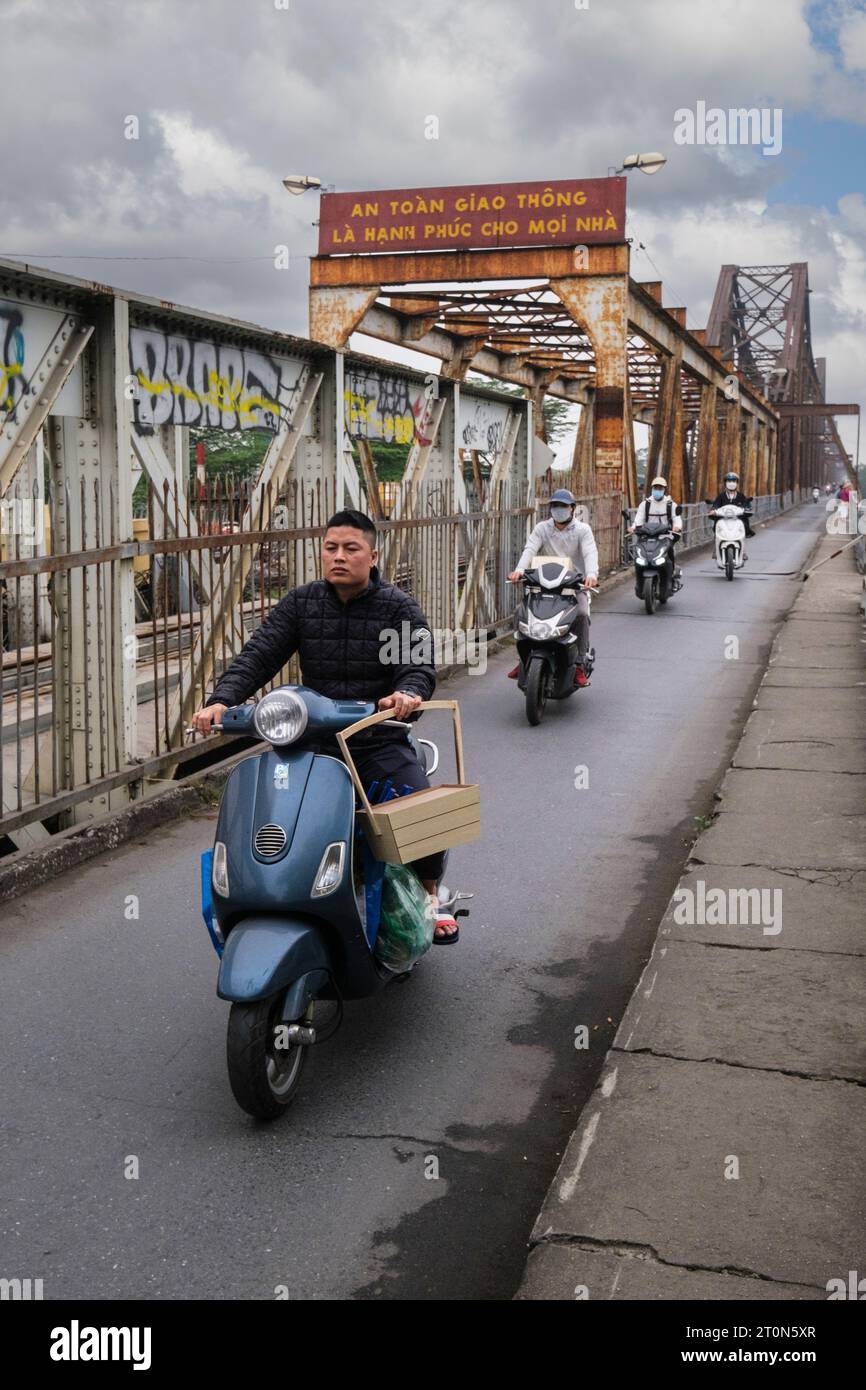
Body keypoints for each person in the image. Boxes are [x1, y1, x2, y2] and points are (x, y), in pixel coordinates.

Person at [191, 509, 459, 943]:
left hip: (375, 739)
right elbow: (259, 654)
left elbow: (417, 666)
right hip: (311, 744)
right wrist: (222, 700)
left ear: (372, 555)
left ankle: (431, 896)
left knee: (421, 807)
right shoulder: (302, 603)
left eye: (351, 548)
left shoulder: (398, 607)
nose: (339, 556)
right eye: (330, 547)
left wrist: (406, 694)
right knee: (269, 817)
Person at [506, 487, 599, 687]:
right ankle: (522, 661)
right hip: (544, 584)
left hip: (573, 585)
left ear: (573, 508)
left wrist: (591, 575)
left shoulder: (583, 530)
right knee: (519, 612)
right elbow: (530, 548)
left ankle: (580, 664)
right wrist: (519, 570)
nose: (559, 509)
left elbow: (590, 553)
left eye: (563, 506)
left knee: (581, 615)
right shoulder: (542, 528)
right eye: (555, 506)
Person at [708, 472, 755, 538]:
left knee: (744, 520)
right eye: (729, 481)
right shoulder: (721, 496)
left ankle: (746, 533)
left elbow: (745, 504)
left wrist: (746, 508)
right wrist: (713, 510)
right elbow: (716, 504)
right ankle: (717, 536)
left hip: (737, 519)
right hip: (723, 519)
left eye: (733, 481)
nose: (731, 483)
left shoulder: (741, 496)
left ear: (737, 483)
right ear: (725, 482)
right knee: (717, 522)